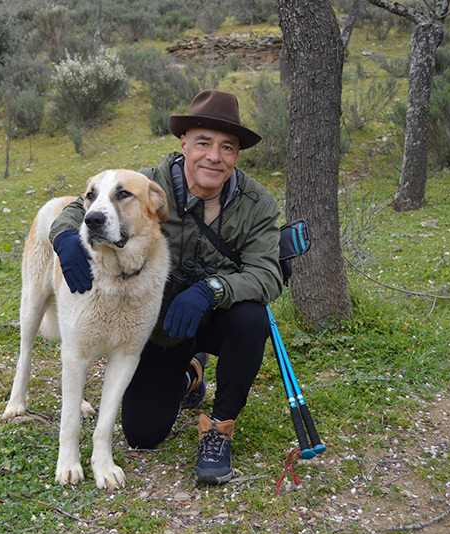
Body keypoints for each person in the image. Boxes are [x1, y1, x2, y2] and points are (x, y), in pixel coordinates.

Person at [48, 89, 283, 484]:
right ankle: (189, 373)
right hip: (160, 330)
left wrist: (212, 289)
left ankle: (219, 428)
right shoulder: (150, 183)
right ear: (184, 144)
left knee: (251, 319)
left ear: (237, 154)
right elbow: (78, 207)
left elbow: (268, 275)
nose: (214, 156)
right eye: (203, 142)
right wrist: (63, 238)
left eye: (227, 147)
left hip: (216, 317)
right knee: (143, 434)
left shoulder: (257, 204)